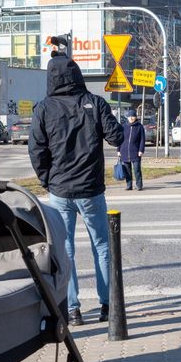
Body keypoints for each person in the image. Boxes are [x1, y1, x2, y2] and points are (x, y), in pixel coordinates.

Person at [29, 53, 123, 325]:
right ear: (78, 76)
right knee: (102, 246)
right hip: (91, 188)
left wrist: (47, 179)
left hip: (60, 189)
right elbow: (117, 136)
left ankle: (72, 309)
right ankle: (108, 306)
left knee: (65, 248)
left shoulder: (44, 108)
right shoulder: (94, 103)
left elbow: (36, 149)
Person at [119, 109, 145, 191]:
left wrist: (141, 150)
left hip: (136, 152)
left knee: (137, 169)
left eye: (133, 116)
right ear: (127, 117)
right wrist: (118, 150)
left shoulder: (139, 127)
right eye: (129, 116)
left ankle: (139, 185)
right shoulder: (124, 126)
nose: (131, 118)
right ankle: (129, 185)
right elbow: (120, 139)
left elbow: (142, 140)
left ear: (136, 117)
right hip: (124, 151)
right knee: (127, 170)